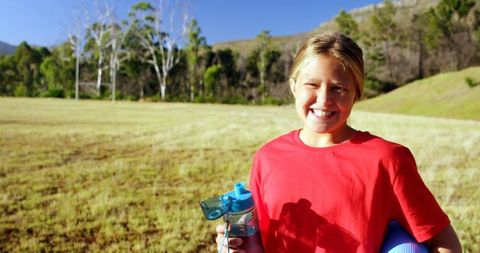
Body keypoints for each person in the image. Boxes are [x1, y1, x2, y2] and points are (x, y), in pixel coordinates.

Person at [215, 32, 462, 253]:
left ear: (356, 94)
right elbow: (259, 239)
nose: (323, 99)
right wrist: (236, 245)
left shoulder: (387, 159)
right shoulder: (267, 157)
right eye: (312, 85)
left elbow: (443, 241)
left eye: (339, 89)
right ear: (293, 87)